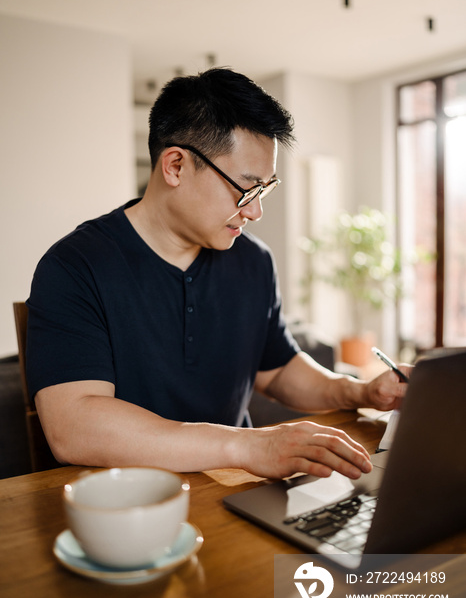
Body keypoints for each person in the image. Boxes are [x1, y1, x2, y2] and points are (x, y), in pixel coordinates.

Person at [26, 67, 410, 481]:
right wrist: (247, 444)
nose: (255, 211)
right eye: (245, 188)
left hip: (234, 486)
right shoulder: (75, 266)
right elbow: (73, 427)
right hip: (127, 506)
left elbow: (277, 370)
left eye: (265, 189)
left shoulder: (253, 261)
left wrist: (358, 391)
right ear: (175, 166)